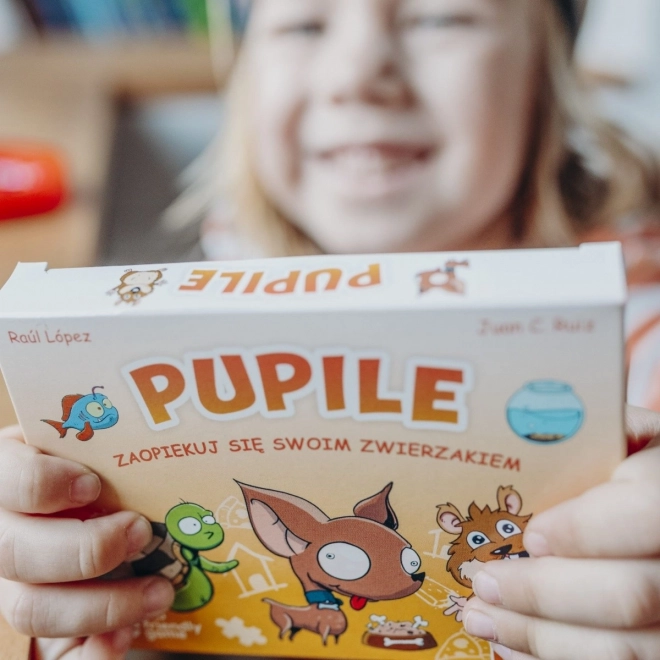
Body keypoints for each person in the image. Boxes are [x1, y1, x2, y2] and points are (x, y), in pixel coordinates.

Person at [1, 1, 660, 659]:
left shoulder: (641, 330)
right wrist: (78, 607)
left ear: (549, 68)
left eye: (439, 17)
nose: (356, 75)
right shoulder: (223, 276)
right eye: (304, 24)